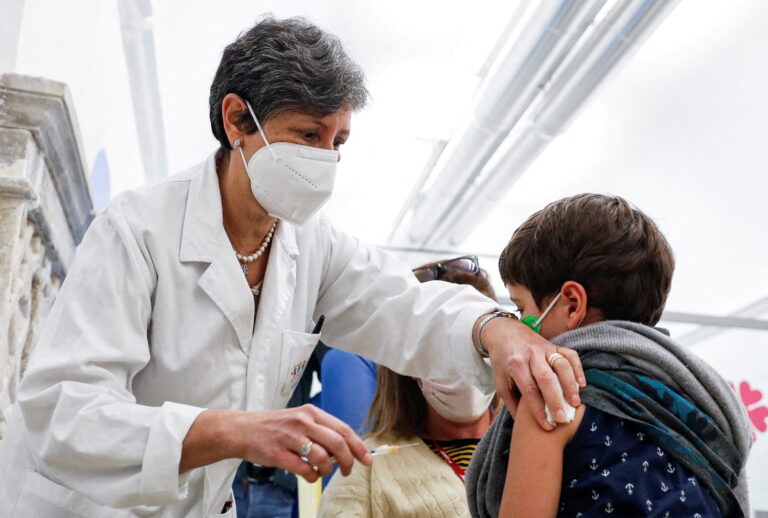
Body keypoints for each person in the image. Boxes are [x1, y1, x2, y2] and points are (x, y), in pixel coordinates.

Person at [0, 16, 583, 518]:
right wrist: (235, 430)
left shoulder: (313, 246)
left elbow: (404, 306)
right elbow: (64, 414)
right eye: (308, 135)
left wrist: (494, 328)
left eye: (338, 142)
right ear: (237, 120)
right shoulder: (138, 230)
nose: (325, 160)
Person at [466, 194, 753, 518]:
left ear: (572, 304)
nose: (521, 327)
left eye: (521, 309)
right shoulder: (707, 404)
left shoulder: (554, 395)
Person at [318, 256, 498, 518]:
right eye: (441, 349)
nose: (462, 364)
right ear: (408, 361)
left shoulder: (530, 443)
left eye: (475, 346)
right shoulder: (368, 468)